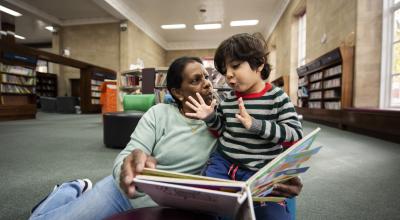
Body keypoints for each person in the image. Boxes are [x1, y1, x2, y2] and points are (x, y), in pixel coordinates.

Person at [29, 56, 303, 220]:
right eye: (196, 80)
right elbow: (128, 156)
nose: (207, 83)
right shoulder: (159, 113)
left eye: (207, 77)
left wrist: (281, 175)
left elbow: (261, 151)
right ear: (178, 92)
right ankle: (72, 189)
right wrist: (130, 166)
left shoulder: (228, 116)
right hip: (128, 193)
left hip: (182, 206)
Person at [185, 33, 303, 219]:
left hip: (261, 172)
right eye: (225, 70)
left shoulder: (278, 97)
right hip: (224, 164)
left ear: (259, 64)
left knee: (273, 215)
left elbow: (295, 136)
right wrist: (210, 118)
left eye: (235, 66)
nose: (228, 75)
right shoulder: (229, 99)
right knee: (207, 207)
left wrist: (255, 125)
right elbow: (221, 130)